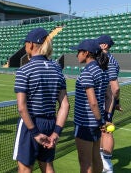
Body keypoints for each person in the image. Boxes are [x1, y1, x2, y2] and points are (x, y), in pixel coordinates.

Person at [13, 28, 70, 172]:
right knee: (47, 166)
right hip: (51, 124)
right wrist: (56, 133)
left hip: (30, 124)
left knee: (25, 169)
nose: (25, 46)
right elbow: (65, 105)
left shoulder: (24, 70)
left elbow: (21, 107)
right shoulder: (57, 69)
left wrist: (35, 133)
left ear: (31, 45)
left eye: (25, 43)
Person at [70, 39, 109, 173]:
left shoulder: (87, 72)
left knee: (85, 162)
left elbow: (93, 102)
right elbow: (109, 96)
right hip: (97, 122)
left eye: (78, 52)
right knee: (96, 157)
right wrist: (102, 120)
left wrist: (99, 121)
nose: (77, 55)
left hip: (85, 123)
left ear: (86, 53)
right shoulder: (102, 70)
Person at [97, 35, 121, 173]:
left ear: (105, 45)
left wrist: (110, 106)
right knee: (103, 130)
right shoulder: (106, 59)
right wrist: (117, 101)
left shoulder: (108, 61)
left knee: (106, 131)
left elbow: (114, 88)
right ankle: (103, 160)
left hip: (104, 103)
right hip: (106, 101)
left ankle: (107, 166)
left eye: (99, 43)